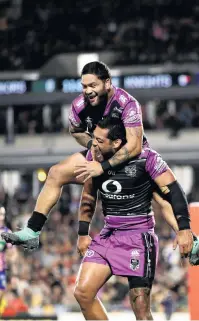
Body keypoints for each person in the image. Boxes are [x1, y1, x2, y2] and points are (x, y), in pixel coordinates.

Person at [1, 61, 149, 247]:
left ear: (108, 83)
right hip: (99, 158)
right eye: (84, 86)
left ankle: (189, 237)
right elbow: (75, 130)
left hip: (132, 163)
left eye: (93, 85)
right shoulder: (79, 105)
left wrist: (102, 166)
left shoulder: (127, 103)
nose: (87, 91)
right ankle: (32, 231)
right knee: (56, 173)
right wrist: (91, 145)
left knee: (163, 191)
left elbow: (135, 146)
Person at [71, 117, 196, 320]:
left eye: (100, 141)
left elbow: (174, 191)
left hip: (138, 238)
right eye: (93, 138)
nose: (94, 144)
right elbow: (88, 196)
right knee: (82, 293)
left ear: (117, 143)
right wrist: (83, 232)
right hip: (108, 235)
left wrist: (184, 228)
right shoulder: (93, 157)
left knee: (141, 311)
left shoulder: (146, 158)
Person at [0, 206, 17, 316]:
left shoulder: (6, 232)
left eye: (3, 215)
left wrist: (10, 258)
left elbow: (13, 251)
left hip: (1, 267)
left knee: (1, 293)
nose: (1, 217)